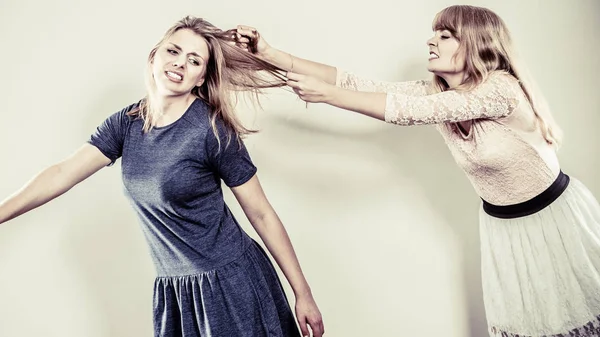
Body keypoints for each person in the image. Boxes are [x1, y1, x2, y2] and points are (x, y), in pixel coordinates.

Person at [233, 5, 600, 337]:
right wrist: (272, 55)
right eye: (434, 33)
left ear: (475, 43)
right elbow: (357, 84)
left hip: (553, 222)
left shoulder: (501, 89)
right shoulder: (436, 91)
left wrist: (326, 96)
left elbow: (404, 112)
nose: (431, 40)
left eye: (445, 35)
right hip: (503, 228)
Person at [0, 16, 324, 337]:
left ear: (201, 78)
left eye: (194, 60)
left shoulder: (211, 130)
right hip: (176, 294)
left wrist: (303, 293)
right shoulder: (126, 124)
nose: (180, 64)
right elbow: (62, 173)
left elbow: (262, 213)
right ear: (154, 56)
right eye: (173, 51)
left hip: (230, 284)